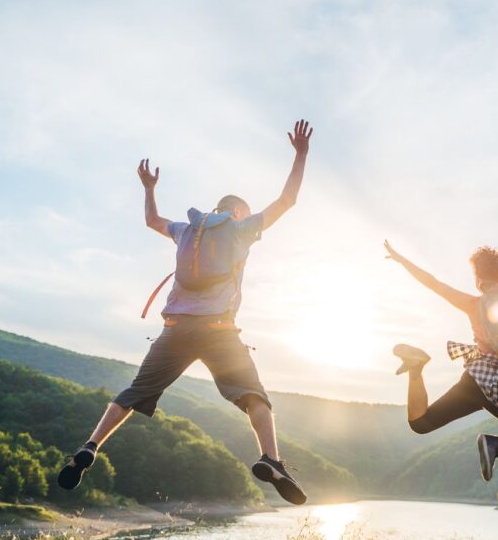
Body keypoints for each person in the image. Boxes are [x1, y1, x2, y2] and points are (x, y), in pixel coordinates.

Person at [57, 120, 315, 505]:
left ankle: (90, 446)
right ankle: (271, 459)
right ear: (238, 213)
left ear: (215, 210)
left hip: (175, 329)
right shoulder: (242, 229)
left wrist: (148, 189)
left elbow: (151, 221)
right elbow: (287, 200)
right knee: (254, 396)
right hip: (219, 331)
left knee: (133, 392)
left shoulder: (186, 230)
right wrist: (300, 155)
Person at [384, 182, 498, 481]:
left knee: (420, 422)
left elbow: (433, 283)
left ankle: (416, 368)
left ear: (477, 278)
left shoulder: (472, 304)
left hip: (475, 379)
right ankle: (496, 444)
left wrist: (402, 260)